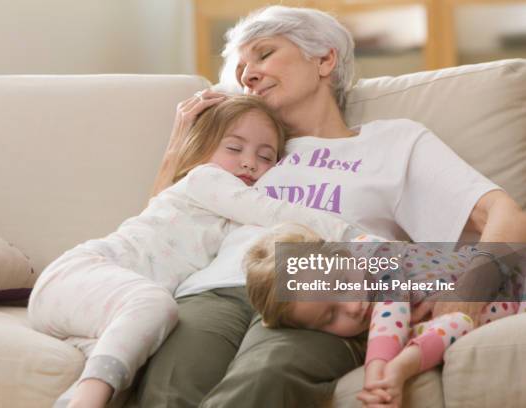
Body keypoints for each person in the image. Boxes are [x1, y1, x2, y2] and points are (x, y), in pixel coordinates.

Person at [138, 5, 526, 408]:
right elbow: (162, 225)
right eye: (240, 68)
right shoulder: (250, 149)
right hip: (214, 283)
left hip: (321, 280)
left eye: (264, 54)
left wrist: (470, 289)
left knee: (264, 377)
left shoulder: (393, 142)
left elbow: (505, 216)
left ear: (325, 59)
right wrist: (179, 147)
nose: (247, 74)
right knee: (171, 384)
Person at [27, 95, 365, 408]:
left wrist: (401, 266)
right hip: (90, 273)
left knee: (132, 363)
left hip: (117, 302)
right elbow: (267, 210)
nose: (250, 164)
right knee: (154, 314)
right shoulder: (207, 180)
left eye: (266, 157)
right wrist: (357, 237)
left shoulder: (395, 144)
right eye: (234, 148)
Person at [244, 222, 526, 407]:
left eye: (342, 284)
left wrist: (378, 372)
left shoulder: (376, 254)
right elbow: (457, 324)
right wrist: (400, 368)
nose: (353, 307)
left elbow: (393, 301)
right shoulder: (378, 335)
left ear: (343, 255)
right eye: (329, 317)